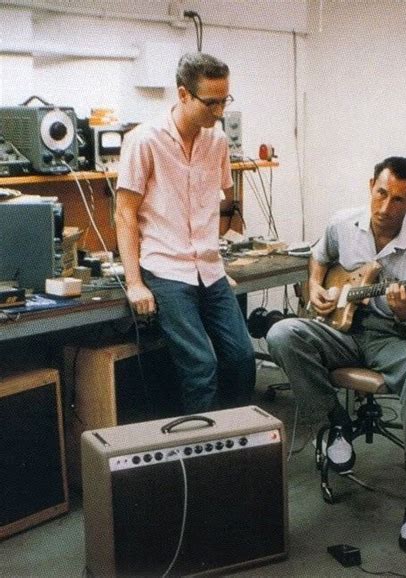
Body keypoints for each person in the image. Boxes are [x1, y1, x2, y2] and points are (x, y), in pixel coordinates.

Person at [267, 157, 406, 553]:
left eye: (398, 200)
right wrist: (317, 286)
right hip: (342, 330)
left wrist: (405, 312)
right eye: (381, 194)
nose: (385, 208)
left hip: (395, 337)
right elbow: (318, 256)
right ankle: (335, 422)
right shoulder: (342, 224)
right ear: (371, 186)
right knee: (281, 332)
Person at [115, 52, 255, 414]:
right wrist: (134, 282)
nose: (220, 111)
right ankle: (202, 461)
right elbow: (125, 213)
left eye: (225, 100)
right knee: (201, 368)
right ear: (182, 94)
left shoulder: (217, 141)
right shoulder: (144, 141)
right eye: (211, 103)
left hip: (209, 269)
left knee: (241, 358)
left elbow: (221, 203)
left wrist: (219, 258)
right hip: (167, 271)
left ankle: (241, 448)